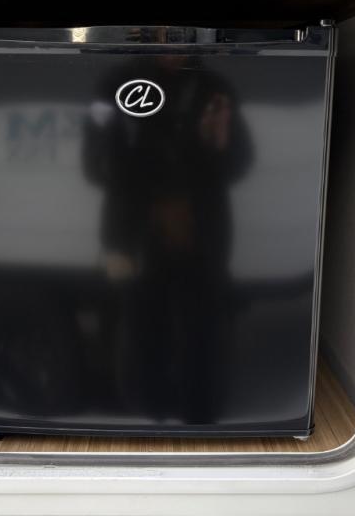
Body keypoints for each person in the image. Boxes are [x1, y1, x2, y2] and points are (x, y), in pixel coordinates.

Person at [82, 53, 253, 425]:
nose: (170, 42)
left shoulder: (213, 88)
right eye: (159, 31)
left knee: (204, 331)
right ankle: (148, 420)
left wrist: (220, 143)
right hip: (136, 238)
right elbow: (94, 163)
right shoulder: (115, 86)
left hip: (201, 237)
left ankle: (200, 419)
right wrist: (156, 202)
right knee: (141, 329)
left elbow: (241, 161)